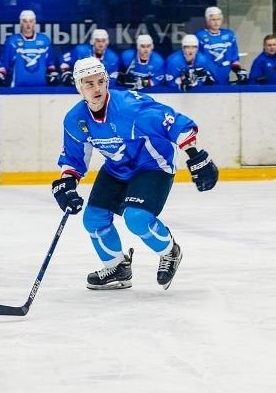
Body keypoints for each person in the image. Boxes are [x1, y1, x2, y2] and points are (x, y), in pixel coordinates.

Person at [51, 56, 219, 290]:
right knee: (93, 219)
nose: (97, 89)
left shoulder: (129, 108)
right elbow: (73, 158)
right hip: (116, 167)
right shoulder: (75, 119)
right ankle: (117, 268)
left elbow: (173, 122)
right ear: (79, 87)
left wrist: (195, 154)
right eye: (89, 84)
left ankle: (170, 252)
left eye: (100, 82)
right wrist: (67, 184)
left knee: (136, 218)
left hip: (152, 164)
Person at [0, 10, 57, 87]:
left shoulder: (45, 40)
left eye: (31, 21)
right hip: (18, 88)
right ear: (20, 23)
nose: (28, 24)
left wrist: (52, 73)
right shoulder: (12, 41)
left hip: (41, 88)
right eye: (25, 21)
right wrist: (0, 74)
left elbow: (50, 64)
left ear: (34, 22)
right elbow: (5, 65)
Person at [195, 6, 248, 84]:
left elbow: (234, 59)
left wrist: (238, 71)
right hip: (206, 81)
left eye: (218, 19)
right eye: (213, 19)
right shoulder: (199, 35)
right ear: (207, 20)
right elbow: (196, 59)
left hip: (224, 79)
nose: (216, 22)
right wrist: (203, 74)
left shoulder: (229, 35)